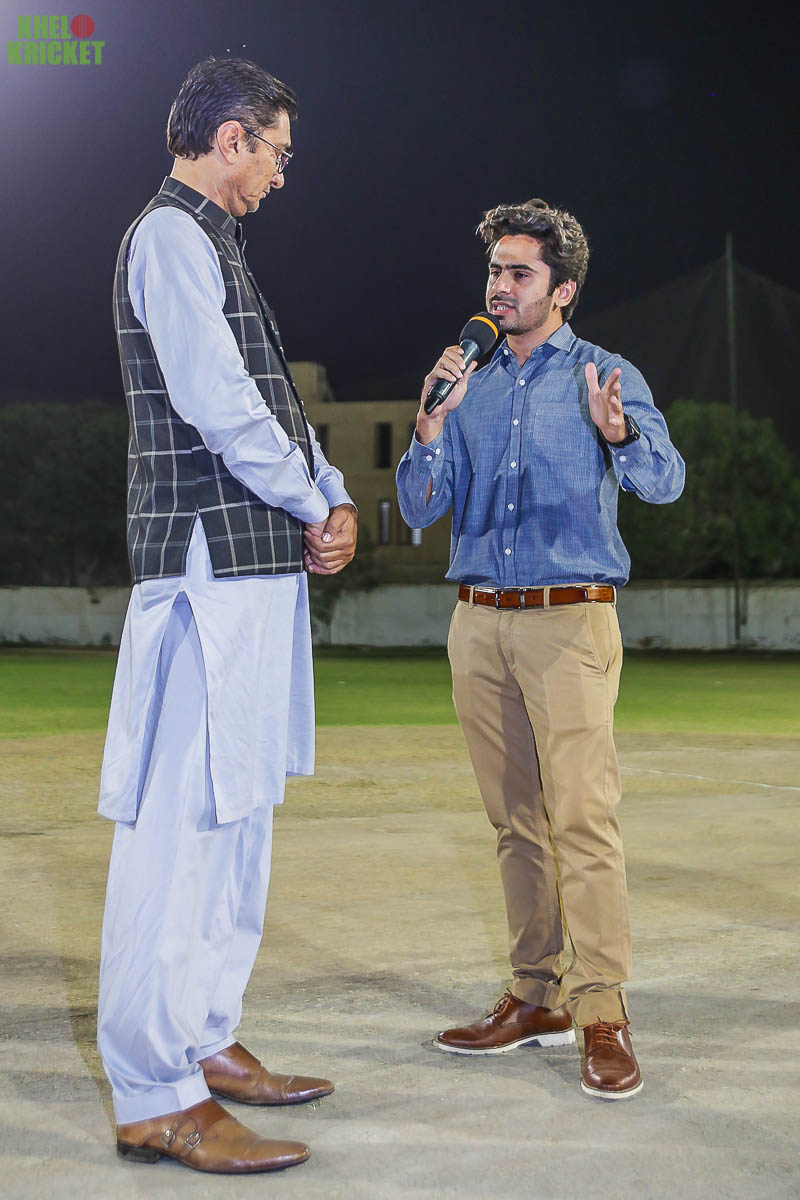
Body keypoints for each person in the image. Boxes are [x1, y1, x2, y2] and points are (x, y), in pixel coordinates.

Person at [96, 57, 357, 1174]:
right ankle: (155, 1092)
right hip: (204, 572)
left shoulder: (217, 243)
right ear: (234, 137)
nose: (282, 177)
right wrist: (314, 499)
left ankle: (204, 1040)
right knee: (181, 835)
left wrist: (332, 494)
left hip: (251, 578)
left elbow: (271, 403)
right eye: (278, 154)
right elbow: (217, 403)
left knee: (238, 816)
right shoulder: (168, 235)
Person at [396, 198, 684, 1100]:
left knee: (583, 820)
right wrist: (429, 429)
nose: (500, 286)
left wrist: (619, 434)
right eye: (494, 271)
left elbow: (666, 480)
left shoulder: (605, 374)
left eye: (519, 273)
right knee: (514, 822)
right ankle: (535, 997)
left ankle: (602, 1011)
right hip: (479, 622)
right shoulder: (467, 381)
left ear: (563, 290)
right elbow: (418, 507)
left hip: (569, 622)